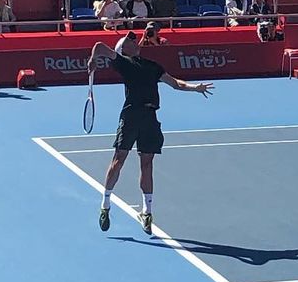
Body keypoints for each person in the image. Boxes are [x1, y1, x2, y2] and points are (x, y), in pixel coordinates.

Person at [91, 32, 213, 235]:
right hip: (130, 116)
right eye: (129, 40)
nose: (134, 41)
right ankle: (105, 205)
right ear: (123, 49)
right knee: (118, 160)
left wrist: (195, 88)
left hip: (150, 118)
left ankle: (147, 212)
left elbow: (175, 83)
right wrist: (92, 60)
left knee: (147, 165)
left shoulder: (153, 66)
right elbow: (99, 46)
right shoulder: (123, 62)